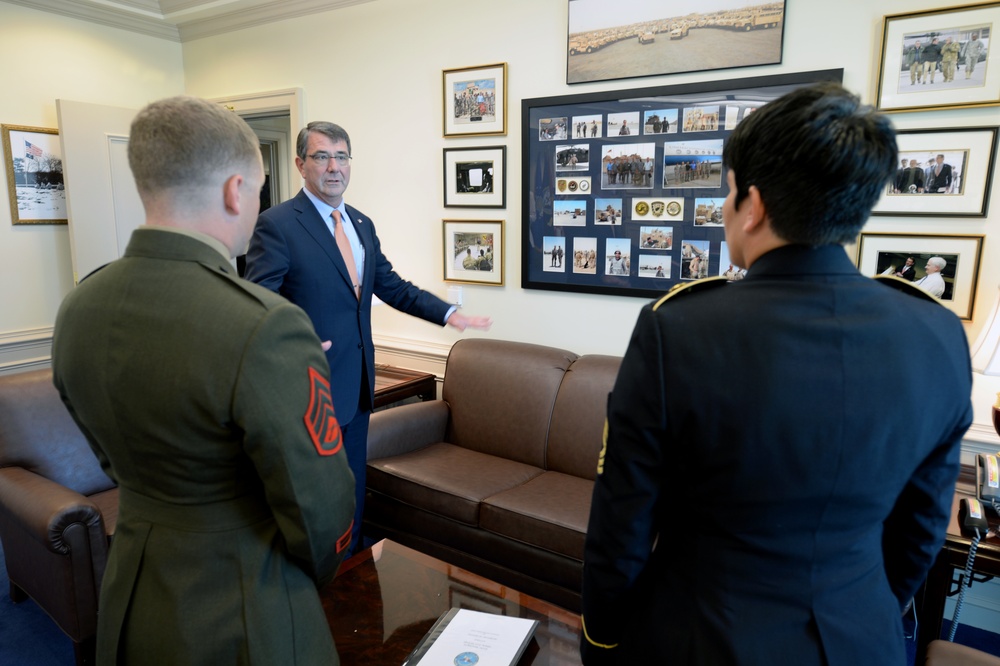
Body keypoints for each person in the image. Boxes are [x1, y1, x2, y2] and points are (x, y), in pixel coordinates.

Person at [580, 82, 972, 665]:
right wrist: (861, 605)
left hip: (700, 636)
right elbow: (922, 527)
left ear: (754, 205)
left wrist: (602, 639)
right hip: (862, 637)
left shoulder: (678, 329)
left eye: (729, 192)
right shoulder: (937, 335)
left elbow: (624, 517)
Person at [51, 97, 356, 664]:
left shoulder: (78, 307)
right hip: (244, 604)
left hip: (131, 594)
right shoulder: (264, 324)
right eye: (261, 189)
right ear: (235, 190)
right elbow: (320, 508)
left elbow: (111, 459)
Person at [245, 121, 491, 553]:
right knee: (314, 504)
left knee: (352, 497)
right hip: (307, 390)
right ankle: (314, 591)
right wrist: (289, 346)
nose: (333, 167)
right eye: (322, 156)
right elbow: (256, 302)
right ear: (301, 164)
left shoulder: (360, 223)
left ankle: (351, 580)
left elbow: (391, 287)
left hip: (358, 390)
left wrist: (449, 313)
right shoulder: (277, 224)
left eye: (341, 156)